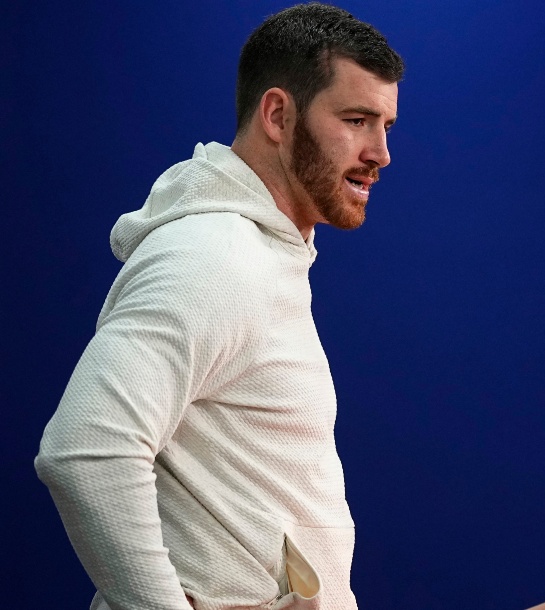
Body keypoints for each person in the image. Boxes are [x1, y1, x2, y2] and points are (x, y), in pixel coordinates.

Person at [34, 4, 403, 609]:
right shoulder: (215, 257)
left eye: (387, 124)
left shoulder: (260, 253)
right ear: (278, 115)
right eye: (357, 119)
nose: (381, 152)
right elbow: (85, 450)